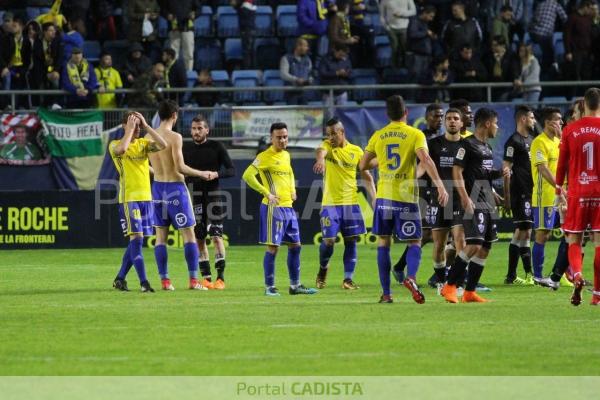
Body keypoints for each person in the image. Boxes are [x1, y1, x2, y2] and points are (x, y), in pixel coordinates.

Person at [359, 95, 448, 303]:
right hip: (406, 198)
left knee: (383, 242)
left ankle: (387, 294)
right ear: (406, 113)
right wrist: (440, 186)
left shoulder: (378, 136)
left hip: (384, 198)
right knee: (414, 241)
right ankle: (410, 277)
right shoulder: (415, 134)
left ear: (387, 115)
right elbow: (425, 160)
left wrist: (380, 161)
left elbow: (363, 165)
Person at [441, 108, 510, 303]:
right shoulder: (467, 144)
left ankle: (470, 291)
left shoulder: (486, 147)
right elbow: (456, 171)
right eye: (496, 123)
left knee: (486, 246)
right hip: (473, 200)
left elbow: (484, 175)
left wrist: (500, 173)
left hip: (487, 200)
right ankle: (450, 286)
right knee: (473, 244)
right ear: (487, 123)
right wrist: (464, 198)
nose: (497, 127)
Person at [242, 122, 318, 296]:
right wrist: (266, 193)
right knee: (273, 248)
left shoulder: (286, 155)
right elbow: (247, 175)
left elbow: (290, 172)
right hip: (273, 208)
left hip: (288, 208)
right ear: (271, 138)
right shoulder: (264, 156)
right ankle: (270, 287)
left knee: (296, 246)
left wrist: (292, 189)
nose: (283, 140)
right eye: (279, 137)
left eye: (285, 136)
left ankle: (295, 286)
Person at [149, 100, 217, 291]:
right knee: (189, 236)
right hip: (175, 190)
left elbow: (146, 166)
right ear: (174, 116)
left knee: (160, 238)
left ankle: (165, 281)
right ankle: (194, 281)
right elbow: (179, 167)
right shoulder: (175, 137)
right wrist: (201, 173)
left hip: (157, 190)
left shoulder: (147, 137)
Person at [313, 118, 376, 290]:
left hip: (351, 204)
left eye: (334, 133)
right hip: (330, 204)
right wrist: (320, 160)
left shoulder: (356, 151)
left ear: (342, 132)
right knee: (329, 241)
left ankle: (348, 279)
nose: (331, 137)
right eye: (328, 134)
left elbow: (367, 177)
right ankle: (322, 270)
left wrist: (375, 199)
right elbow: (320, 151)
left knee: (351, 241)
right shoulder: (326, 146)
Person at [110, 112, 167, 293]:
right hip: (129, 199)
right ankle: (144, 282)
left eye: (138, 126)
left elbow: (163, 144)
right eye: (132, 125)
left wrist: (147, 125)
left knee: (137, 242)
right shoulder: (115, 145)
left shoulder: (143, 144)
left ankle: (120, 278)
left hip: (146, 199)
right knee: (137, 239)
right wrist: (130, 128)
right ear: (123, 127)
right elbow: (122, 150)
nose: (137, 129)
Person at [555, 87, 600, 306]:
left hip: (577, 192)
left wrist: (557, 191)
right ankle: (597, 295)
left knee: (575, 239)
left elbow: (561, 164)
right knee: (599, 243)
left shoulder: (570, 130)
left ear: (584, 105)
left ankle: (578, 275)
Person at [392, 103, 443, 286]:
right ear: (427, 117)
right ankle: (436, 275)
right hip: (422, 189)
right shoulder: (421, 136)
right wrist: (413, 178)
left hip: (436, 188)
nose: (439, 120)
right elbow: (422, 162)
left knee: (432, 233)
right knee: (426, 234)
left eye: (441, 116)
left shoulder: (442, 138)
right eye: (436, 116)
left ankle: (401, 267)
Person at [182, 115, 235, 290]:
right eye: (193, 129)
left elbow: (231, 170)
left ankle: (220, 279)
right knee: (199, 237)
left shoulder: (216, 146)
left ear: (207, 130)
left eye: (199, 129)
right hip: (195, 196)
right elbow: (180, 170)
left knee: (216, 236)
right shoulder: (185, 148)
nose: (196, 132)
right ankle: (206, 278)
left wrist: (216, 174)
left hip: (213, 196)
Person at [426, 108, 466, 294]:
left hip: (459, 200)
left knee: (460, 242)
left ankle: (456, 283)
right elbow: (423, 166)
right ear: (444, 122)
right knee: (439, 244)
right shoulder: (433, 144)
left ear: (461, 123)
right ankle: (441, 281)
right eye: (449, 118)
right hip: (439, 199)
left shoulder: (467, 145)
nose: (452, 121)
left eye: (455, 118)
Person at [503, 105, 536, 285]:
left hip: (530, 192)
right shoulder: (513, 141)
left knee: (523, 232)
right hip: (520, 192)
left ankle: (512, 275)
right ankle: (527, 273)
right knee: (524, 231)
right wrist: (507, 197)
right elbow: (506, 168)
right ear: (523, 119)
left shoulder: (531, 139)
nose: (534, 121)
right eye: (531, 118)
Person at [530, 107, 562, 284]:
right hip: (545, 196)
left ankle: (564, 273)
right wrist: (559, 187)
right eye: (558, 119)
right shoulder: (538, 142)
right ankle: (538, 276)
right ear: (548, 122)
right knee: (543, 235)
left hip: (561, 196)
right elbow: (542, 169)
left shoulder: (559, 141)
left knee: (570, 234)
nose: (561, 122)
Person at [379, 0, 417, 67]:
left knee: (404, 48)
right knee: (394, 48)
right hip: (391, 28)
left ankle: (404, 67)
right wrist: (386, 27)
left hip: (404, 27)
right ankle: (394, 68)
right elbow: (382, 15)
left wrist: (402, 13)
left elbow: (413, 11)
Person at [280, 37, 314, 105]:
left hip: (304, 93)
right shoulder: (286, 58)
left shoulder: (308, 60)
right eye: (305, 46)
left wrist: (310, 79)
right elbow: (283, 74)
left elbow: (310, 73)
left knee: (304, 114)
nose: (307, 48)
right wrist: (296, 79)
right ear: (298, 46)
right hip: (291, 93)